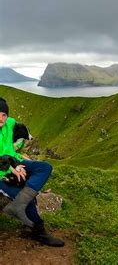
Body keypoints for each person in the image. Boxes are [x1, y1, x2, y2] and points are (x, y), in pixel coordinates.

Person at [0, 97, 64, 247]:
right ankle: (38, 231)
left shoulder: (9, 123)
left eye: (4, 114)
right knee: (24, 197)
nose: (1, 118)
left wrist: (19, 151)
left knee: (44, 167)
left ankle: (19, 205)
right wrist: (11, 169)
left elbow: (22, 132)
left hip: (15, 162)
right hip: (2, 173)